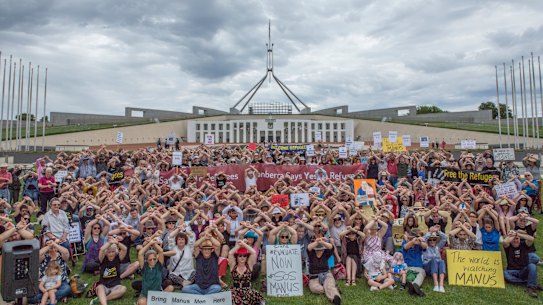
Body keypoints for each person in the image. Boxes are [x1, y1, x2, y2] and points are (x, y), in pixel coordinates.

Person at [503, 230, 540, 298]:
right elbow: (505, 241)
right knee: (505, 274)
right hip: (512, 271)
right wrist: (511, 235)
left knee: (532, 266)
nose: (515, 240)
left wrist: (517, 234)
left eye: (517, 238)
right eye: (513, 239)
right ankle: (530, 282)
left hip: (523, 271)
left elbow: (531, 239)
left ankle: (531, 288)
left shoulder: (524, 245)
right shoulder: (508, 247)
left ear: (520, 238)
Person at [90, 240, 128, 305]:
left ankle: (100, 299)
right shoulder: (103, 259)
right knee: (100, 287)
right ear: (106, 253)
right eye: (109, 252)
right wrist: (110, 242)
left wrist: (117, 242)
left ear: (116, 252)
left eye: (113, 252)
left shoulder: (118, 258)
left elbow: (125, 249)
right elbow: (102, 250)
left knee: (123, 289)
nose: (111, 254)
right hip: (104, 286)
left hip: (115, 286)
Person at [228, 240, 264, 305]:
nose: (242, 257)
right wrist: (239, 245)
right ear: (237, 257)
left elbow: (253, 252)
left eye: (244, 256)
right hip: (235, 291)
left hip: (247, 291)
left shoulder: (249, 265)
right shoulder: (233, 265)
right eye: (240, 256)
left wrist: (244, 244)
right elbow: (230, 253)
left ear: (247, 257)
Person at [136, 239, 172, 305]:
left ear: (156, 258)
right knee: (142, 302)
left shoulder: (159, 266)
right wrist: (149, 243)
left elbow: (161, 251)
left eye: (154, 259)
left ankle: (156, 301)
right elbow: (140, 253)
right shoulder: (144, 267)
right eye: (150, 259)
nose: (152, 260)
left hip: (157, 294)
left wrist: (154, 243)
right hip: (145, 293)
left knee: (170, 288)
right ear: (147, 260)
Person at [307, 238, 341, 305]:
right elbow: (308, 247)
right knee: (316, 289)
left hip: (326, 274)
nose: (320, 251)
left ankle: (335, 298)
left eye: (322, 249)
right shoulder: (311, 254)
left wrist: (322, 242)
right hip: (314, 277)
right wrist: (317, 242)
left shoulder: (326, 253)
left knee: (329, 286)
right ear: (315, 250)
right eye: (318, 250)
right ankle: (332, 289)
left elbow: (332, 247)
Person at [402, 229, 427, 297]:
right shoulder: (405, 242)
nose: (414, 239)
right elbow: (405, 247)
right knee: (410, 277)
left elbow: (425, 246)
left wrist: (420, 242)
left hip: (419, 268)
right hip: (408, 267)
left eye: (416, 237)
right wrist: (412, 242)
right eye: (413, 237)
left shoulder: (419, 244)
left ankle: (414, 285)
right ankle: (415, 287)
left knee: (421, 274)